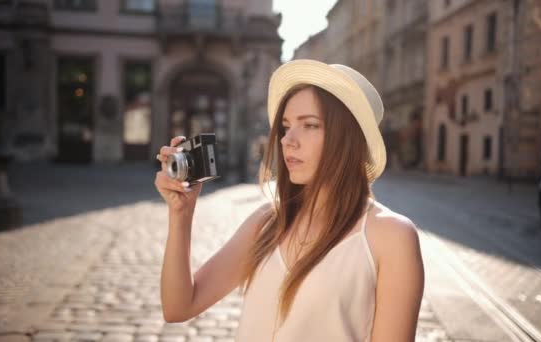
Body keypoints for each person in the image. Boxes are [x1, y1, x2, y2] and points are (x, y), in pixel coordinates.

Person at [155, 59, 424, 341]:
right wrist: (181, 214)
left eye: (309, 125)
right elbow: (178, 307)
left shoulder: (391, 236)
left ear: (348, 138)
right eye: (285, 126)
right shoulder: (267, 222)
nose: (287, 140)